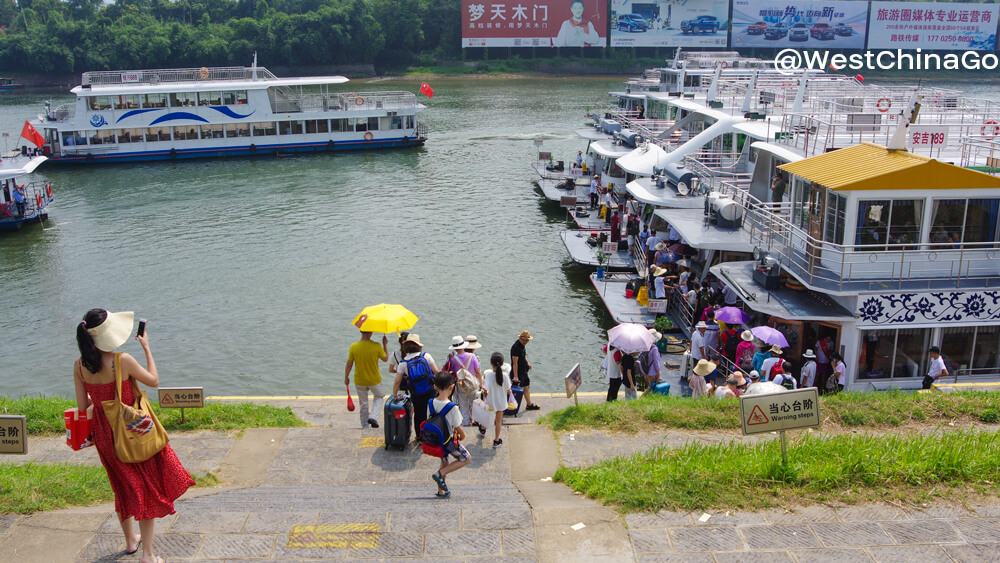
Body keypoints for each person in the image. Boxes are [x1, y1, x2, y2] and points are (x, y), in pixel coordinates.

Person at [73, 309, 193, 563]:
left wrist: (104, 401)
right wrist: (147, 348)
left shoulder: (80, 365)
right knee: (145, 488)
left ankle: (130, 541)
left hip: (105, 434)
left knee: (122, 486)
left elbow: (83, 406)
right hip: (131, 432)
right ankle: (148, 555)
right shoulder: (122, 360)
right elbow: (154, 380)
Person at [429, 372, 470, 499]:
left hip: (436, 440)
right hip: (447, 441)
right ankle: (439, 474)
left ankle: (441, 490)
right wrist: (463, 436)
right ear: (452, 387)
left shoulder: (431, 402)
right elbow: (458, 427)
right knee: (466, 457)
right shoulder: (452, 407)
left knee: (445, 461)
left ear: (435, 387)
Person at [393, 334, 440, 438]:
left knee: (418, 414)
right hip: (430, 390)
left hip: (415, 392)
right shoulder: (426, 356)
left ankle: (419, 436)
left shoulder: (404, 362)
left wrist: (394, 393)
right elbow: (436, 371)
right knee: (431, 411)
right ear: (419, 346)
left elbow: (397, 381)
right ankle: (432, 434)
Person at [345, 329, 388, 429]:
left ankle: (365, 425)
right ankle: (373, 417)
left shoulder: (354, 346)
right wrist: (385, 344)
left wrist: (346, 377)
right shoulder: (376, 346)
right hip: (374, 380)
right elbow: (385, 359)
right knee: (379, 396)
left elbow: (349, 364)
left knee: (363, 404)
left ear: (361, 331)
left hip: (360, 380)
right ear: (371, 332)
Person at [443, 336, 482, 428]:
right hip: (472, 385)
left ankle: (466, 423)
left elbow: (451, 371)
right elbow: (478, 372)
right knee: (474, 404)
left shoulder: (453, 359)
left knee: (463, 406)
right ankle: (475, 421)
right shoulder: (472, 357)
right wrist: (481, 383)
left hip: (461, 386)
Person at [483, 352, 511, 448]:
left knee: (487, 416)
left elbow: (485, 389)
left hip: (491, 401)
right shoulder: (505, 376)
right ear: (503, 364)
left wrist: (485, 394)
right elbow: (508, 390)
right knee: (498, 421)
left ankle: (483, 428)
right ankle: (496, 440)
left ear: (491, 363)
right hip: (501, 403)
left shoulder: (489, 375)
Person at [511, 330, 540, 410]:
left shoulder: (522, 346)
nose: (525, 342)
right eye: (523, 340)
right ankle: (511, 407)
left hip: (523, 370)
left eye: (526, 340)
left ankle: (529, 404)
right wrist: (516, 376)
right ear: (520, 338)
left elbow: (523, 356)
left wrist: (527, 363)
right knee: (515, 391)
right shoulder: (516, 347)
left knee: (527, 386)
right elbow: (515, 363)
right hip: (518, 372)